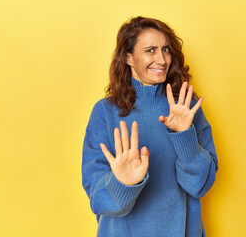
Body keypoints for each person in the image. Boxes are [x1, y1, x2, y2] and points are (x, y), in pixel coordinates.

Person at [82, 16, 218, 237]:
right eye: (151, 50)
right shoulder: (105, 112)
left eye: (165, 49)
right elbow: (98, 199)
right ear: (128, 57)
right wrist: (123, 183)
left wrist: (184, 136)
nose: (162, 59)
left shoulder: (186, 107)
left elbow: (199, 186)